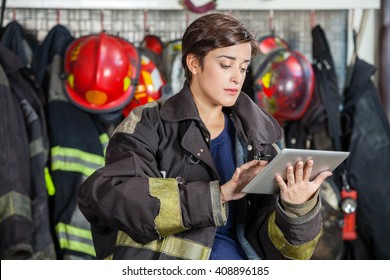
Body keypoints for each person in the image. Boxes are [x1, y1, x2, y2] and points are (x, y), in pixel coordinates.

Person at [77, 12, 331, 260]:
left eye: (243, 68)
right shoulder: (150, 123)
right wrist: (218, 195)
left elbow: (292, 255)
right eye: (225, 65)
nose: (236, 77)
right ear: (194, 63)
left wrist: (297, 208)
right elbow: (110, 197)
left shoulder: (260, 136)